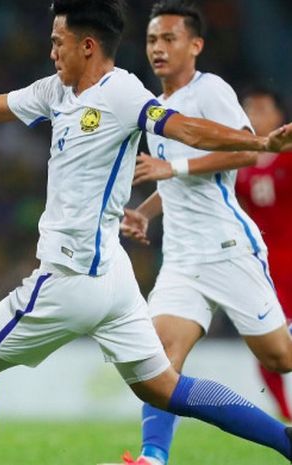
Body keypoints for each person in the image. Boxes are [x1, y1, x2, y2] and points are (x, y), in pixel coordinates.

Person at [0, 0, 292, 464]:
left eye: (59, 42)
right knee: (164, 388)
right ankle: (285, 442)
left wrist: (257, 142)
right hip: (113, 277)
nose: (52, 51)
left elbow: (189, 130)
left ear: (88, 46)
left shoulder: (123, 93)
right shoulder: (56, 91)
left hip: (70, 276)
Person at [116, 2, 292, 464]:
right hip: (181, 258)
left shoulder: (209, 90)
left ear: (195, 45)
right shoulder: (156, 108)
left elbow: (245, 151)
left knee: (281, 358)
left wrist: (168, 167)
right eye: (153, 39)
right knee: (155, 363)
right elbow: (182, 184)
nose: (158, 47)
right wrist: (149, 210)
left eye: (169, 38)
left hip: (227, 247)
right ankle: (154, 457)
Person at [237, 86, 292, 422]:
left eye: (261, 109)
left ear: (278, 116)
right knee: (267, 345)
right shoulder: (236, 158)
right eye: (249, 109)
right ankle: (286, 417)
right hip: (264, 268)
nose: (254, 116)